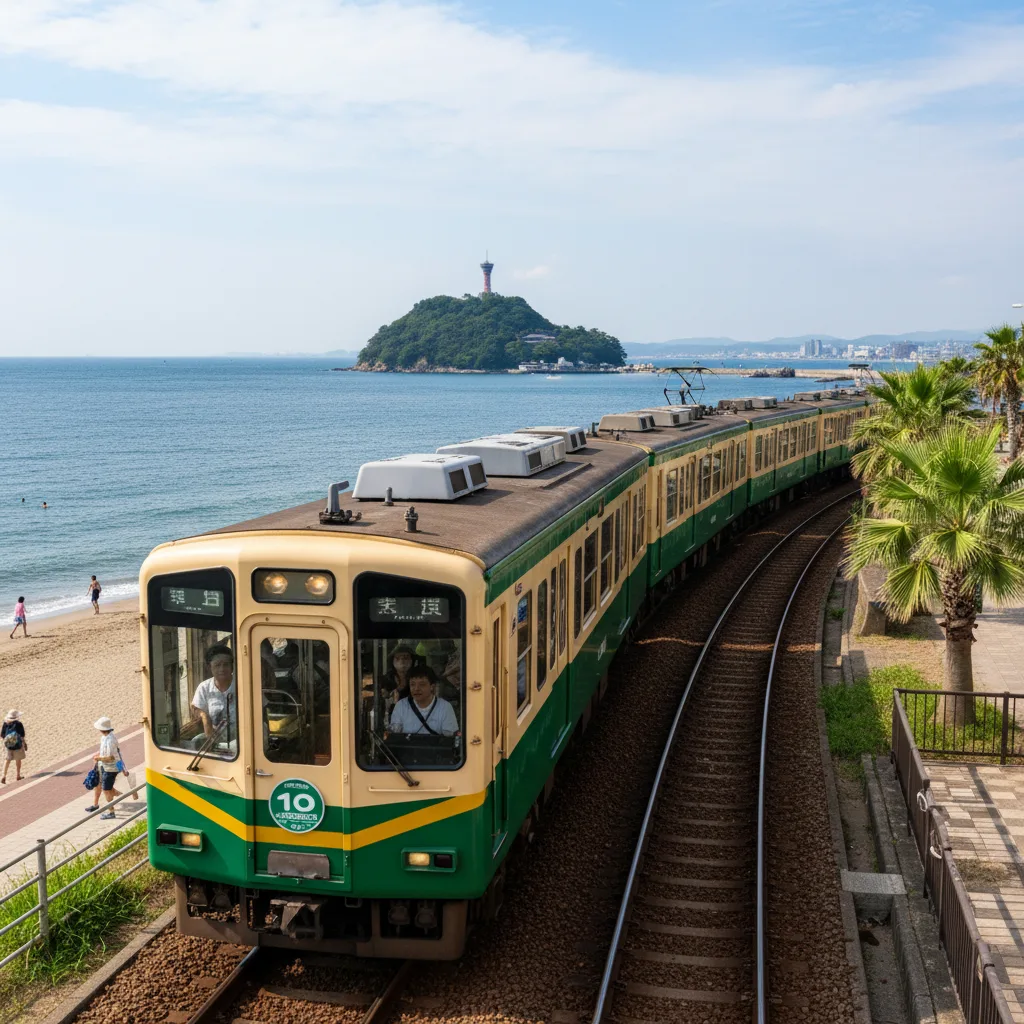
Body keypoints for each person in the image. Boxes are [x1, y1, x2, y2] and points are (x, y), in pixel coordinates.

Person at [386, 665, 459, 737]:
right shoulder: (401, 706)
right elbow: (394, 735)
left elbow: (451, 738)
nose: (416, 688)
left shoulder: (445, 707)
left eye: (422, 684)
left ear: (432, 687)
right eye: (412, 684)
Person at [191, 644, 237, 747]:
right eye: (217, 665)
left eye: (226, 664)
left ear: (232, 666)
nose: (222, 669)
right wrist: (204, 716)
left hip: (241, 739)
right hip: (215, 738)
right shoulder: (204, 687)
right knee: (195, 743)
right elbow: (195, 708)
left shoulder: (243, 684)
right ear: (209, 667)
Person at [87, 717, 125, 819]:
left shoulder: (110, 740)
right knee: (104, 786)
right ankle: (117, 795)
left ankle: (111, 812)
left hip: (110, 768)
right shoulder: (106, 737)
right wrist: (98, 755)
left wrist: (97, 758)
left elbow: (110, 757)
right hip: (105, 767)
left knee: (106, 789)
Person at [1, 710, 26, 784]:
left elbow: (2, 735)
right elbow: (22, 735)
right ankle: (18, 775)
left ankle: (3, 776)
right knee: (18, 759)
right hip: (17, 744)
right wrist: (24, 743)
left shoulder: (5, 724)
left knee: (7, 760)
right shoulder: (19, 724)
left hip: (8, 745)